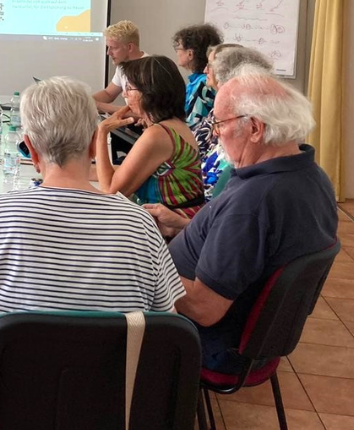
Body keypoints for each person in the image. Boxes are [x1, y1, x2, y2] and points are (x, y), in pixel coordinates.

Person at [0, 77, 184, 405]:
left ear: (31, 148)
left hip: (7, 406)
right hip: (110, 411)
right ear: (95, 142)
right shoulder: (140, 225)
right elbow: (166, 326)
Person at [146, 74, 338, 373]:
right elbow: (254, 248)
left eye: (220, 123)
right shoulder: (313, 176)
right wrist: (184, 226)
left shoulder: (253, 203)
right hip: (255, 340)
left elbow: (203, 309)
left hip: (206, 342)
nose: (215, 134)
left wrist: (143, 265)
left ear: (255, 128)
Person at [96, 56, 205, 217]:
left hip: (167, 231)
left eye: (130, 88)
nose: (125, 94)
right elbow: (130, 171)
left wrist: (101, 132)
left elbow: (110, 192)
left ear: (149, 93)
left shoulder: (158, 134)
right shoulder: (174, 124)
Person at [195, 47, 272, 197]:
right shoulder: (223, 113)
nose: (205, 70)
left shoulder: (244, 122)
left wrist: (181, 220)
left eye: (210, 65)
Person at [92, 20, 147, 115]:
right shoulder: (122, 67)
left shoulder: (150, 69)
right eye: (108, 47)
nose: (108, 52)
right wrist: (84, 102)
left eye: (113, 48)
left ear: (130, 47)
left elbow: (144, 112)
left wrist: (98, 105)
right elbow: (108, 94)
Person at [173, 23, 223, 127]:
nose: (177, 53)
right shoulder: (197, 81)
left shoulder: (204, 84)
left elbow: (192, 125)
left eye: (178, 48)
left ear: (190, 54)